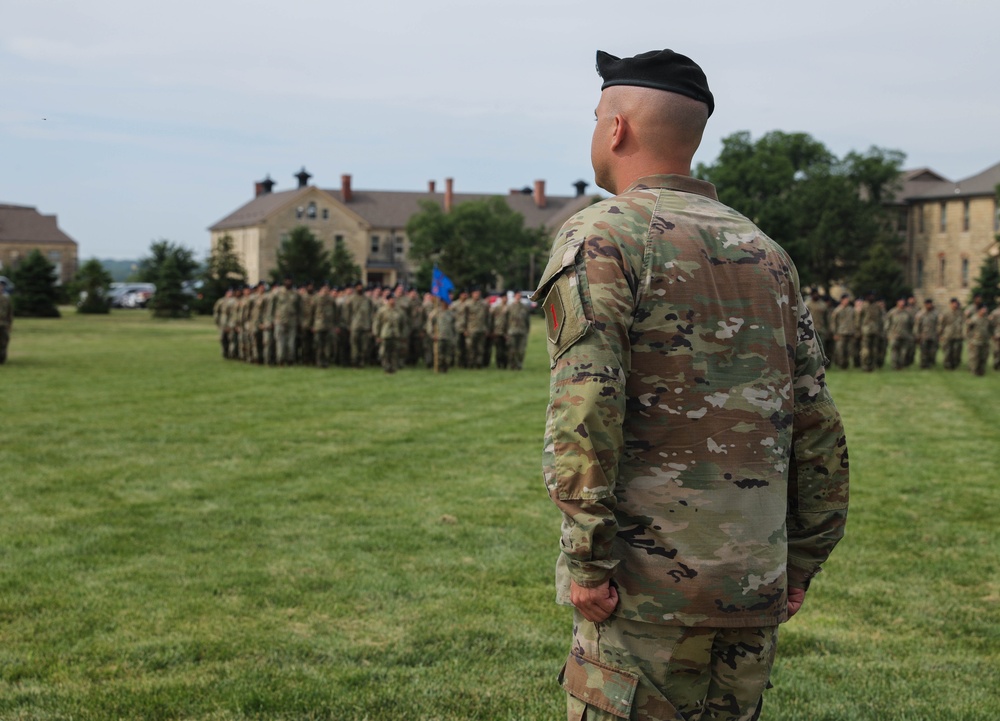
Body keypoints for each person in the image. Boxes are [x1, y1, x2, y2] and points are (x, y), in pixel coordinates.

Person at [533, 49, 849, 721]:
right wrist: (801, 560)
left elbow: (585, 404)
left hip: (642, 595)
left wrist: (587, 556)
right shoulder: (767, 253)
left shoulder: (605, 236)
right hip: (749, 586)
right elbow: (816, 421)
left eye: (597, 118)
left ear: (616, 129)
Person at [937, 298, 964, 370]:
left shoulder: (960, 313)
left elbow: (962, 323)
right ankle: (947, 365)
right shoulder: (945, 313)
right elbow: (941, 324)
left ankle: (955, 364)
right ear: (950, 304)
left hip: (958, 335)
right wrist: (940, 335)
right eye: (953, 303)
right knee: (947, 351)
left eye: (956, 304)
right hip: (948, 335)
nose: (955, 305)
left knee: (956, 351)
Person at [0, 287, 12, 364]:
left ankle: (1, 359)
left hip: (3, 325)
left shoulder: (6, 300)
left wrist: (10, 324)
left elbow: (9, 313)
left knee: (3, 342)